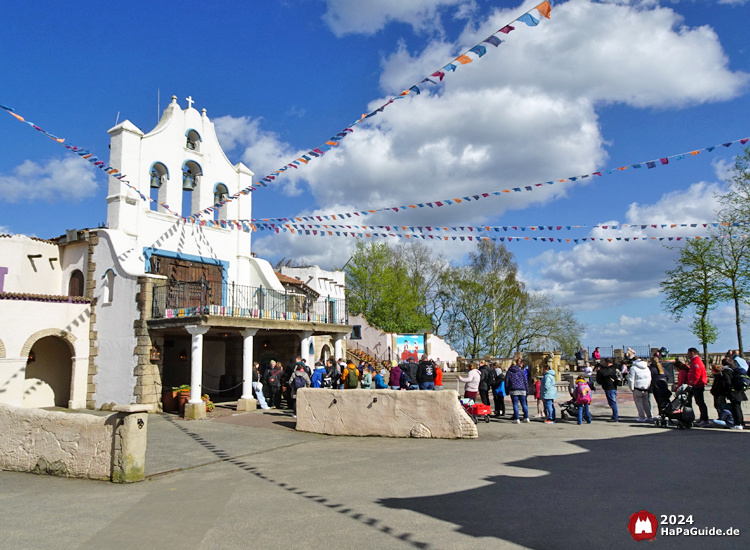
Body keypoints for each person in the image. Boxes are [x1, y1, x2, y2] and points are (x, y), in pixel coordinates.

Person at [686, 348, 709, 427]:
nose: (687, 354)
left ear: (692, 353)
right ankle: (703, 418)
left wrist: (692, 384)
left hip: (698, 385)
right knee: (699, 402)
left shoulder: (696, 362)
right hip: (696, 385)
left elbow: (696, 374)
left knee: (700, 402)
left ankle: (704, 419)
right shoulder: (694, 361)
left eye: (688, 353)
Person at [505, 359, 530, 423]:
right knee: (524, 404)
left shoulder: (509, 372)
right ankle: (526, 417)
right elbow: (525, 381)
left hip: (513, 389)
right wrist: (527, 390)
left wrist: (507, 390)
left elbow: (507, 382)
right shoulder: (521, 372)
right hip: (522, 388)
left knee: (515, 404)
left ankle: (517, 418)